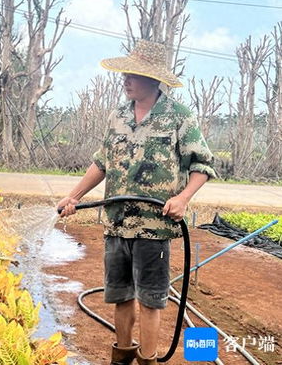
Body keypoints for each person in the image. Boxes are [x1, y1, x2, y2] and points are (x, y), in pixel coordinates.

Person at [57, 40, 217, 365]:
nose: (125, 79)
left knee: (152, 300)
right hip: (116, 222)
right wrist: (73, 197)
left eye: (132, 74)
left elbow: (203, 166)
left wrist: (183, 198)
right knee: (119, 295)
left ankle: (147, 359)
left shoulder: (178, 117)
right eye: (125, 73)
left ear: (153, 79)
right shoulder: (117, 116)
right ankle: (122, 355)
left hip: (154, 227)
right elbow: (101, 163)